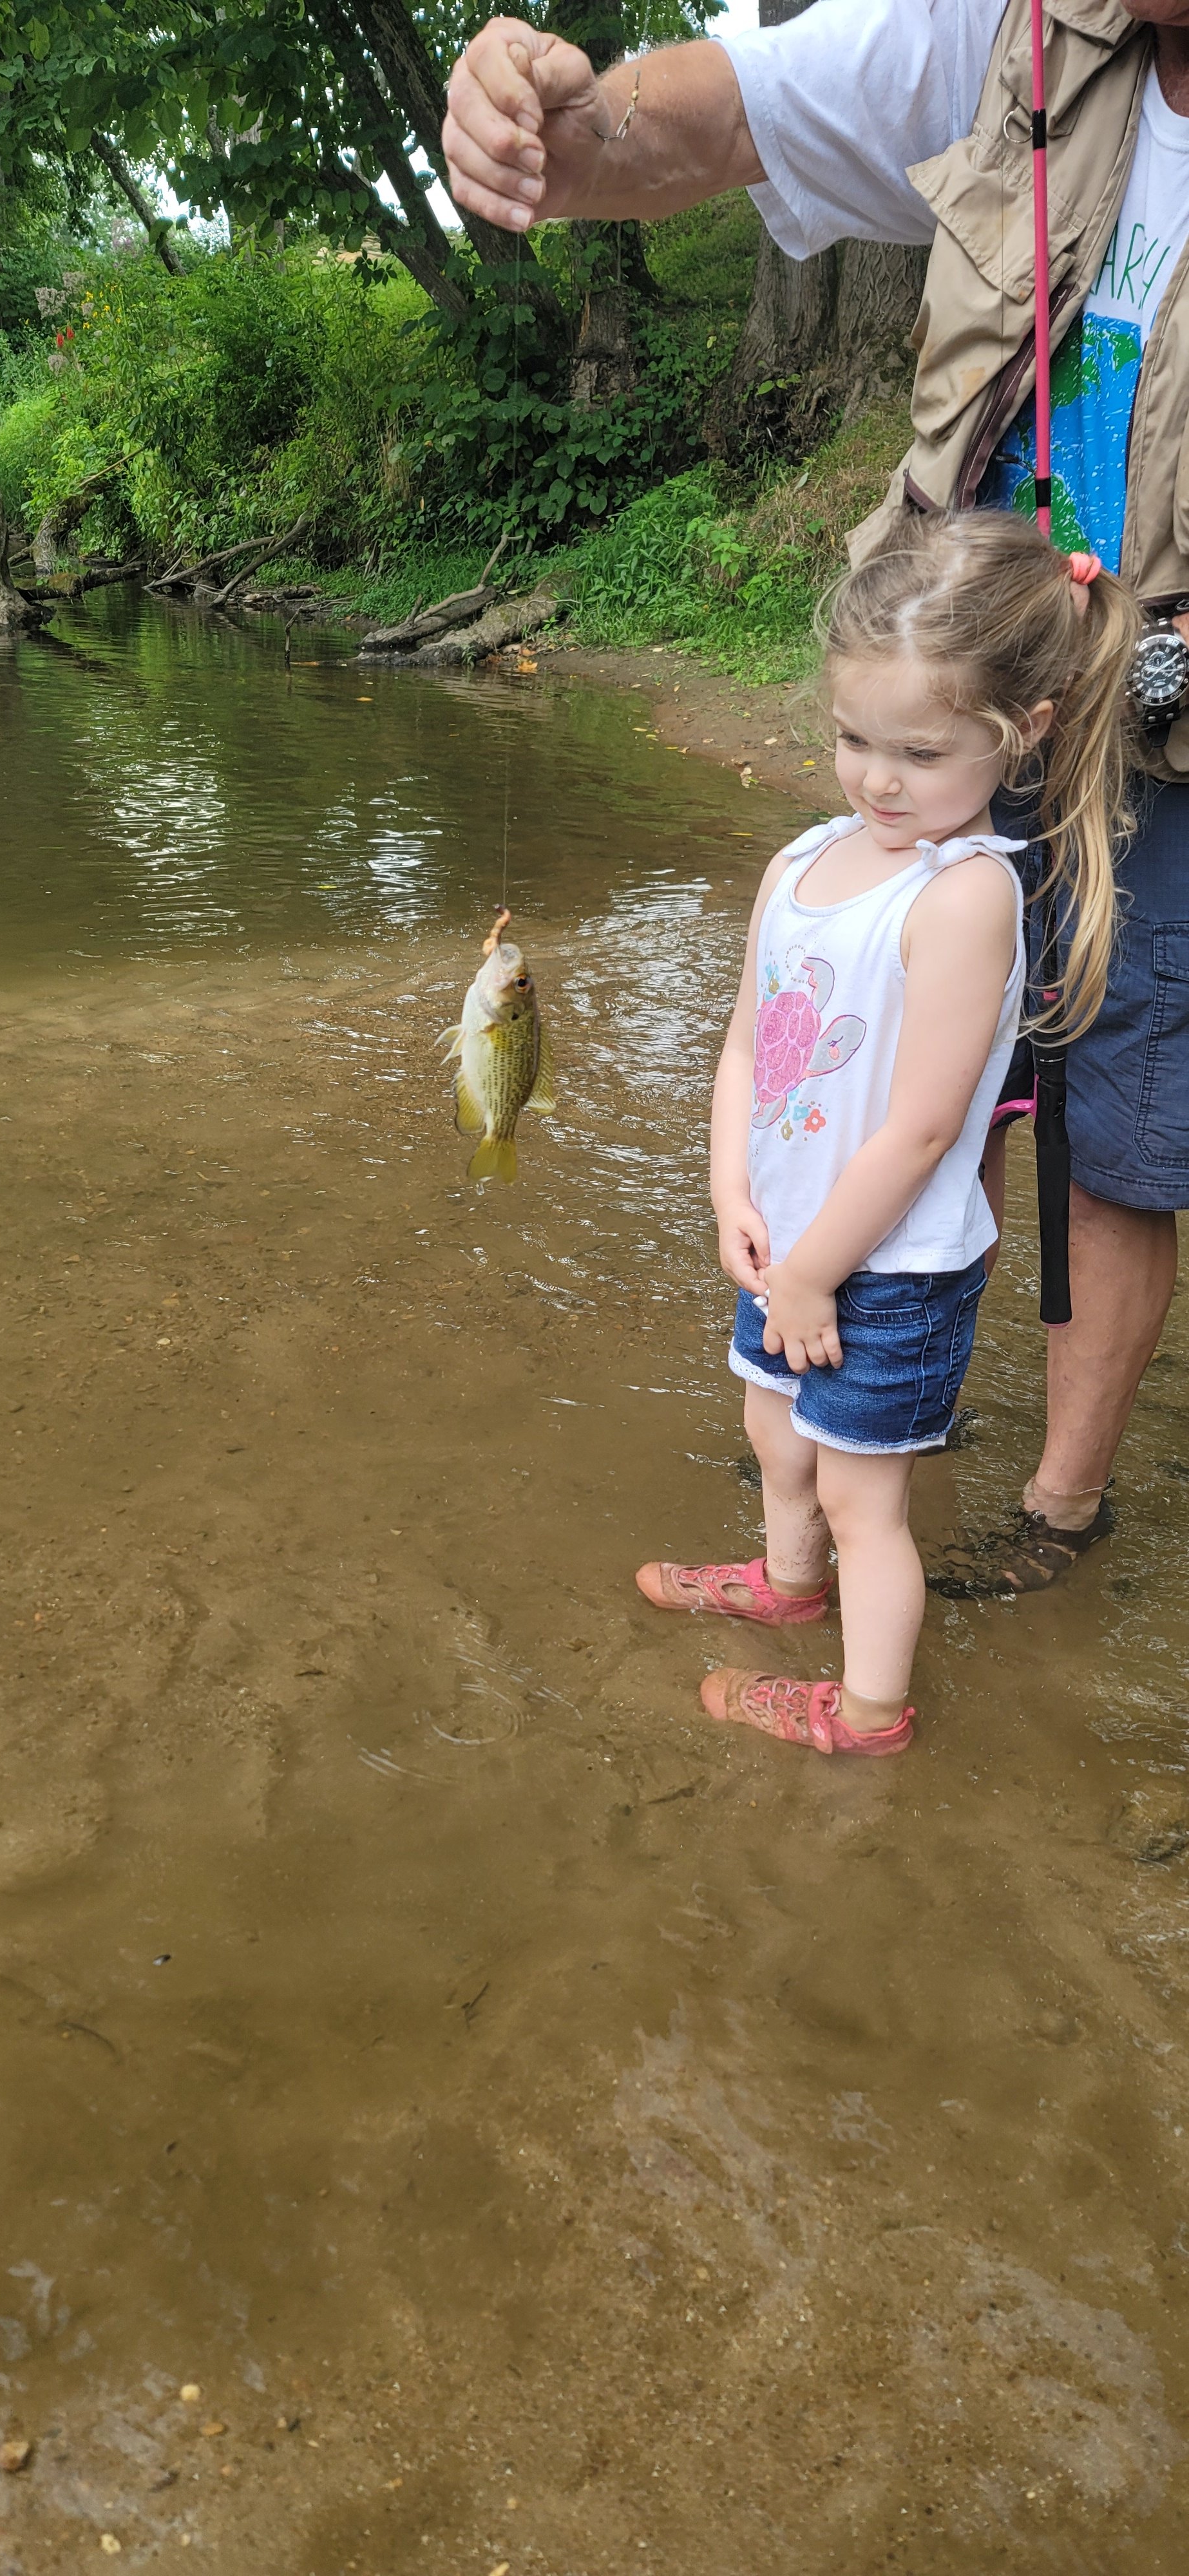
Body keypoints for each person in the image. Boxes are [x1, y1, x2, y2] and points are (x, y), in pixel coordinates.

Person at [443, 0, 1189, 1593]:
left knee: (1117, 1121)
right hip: (951, 684)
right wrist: (555, 122)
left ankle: (1058, 1510)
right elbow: (706, 118)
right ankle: (883, 1400)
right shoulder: (1015, 29)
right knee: (928, 1053)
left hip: (1160, 734)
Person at [634, 509, 1137, 1752]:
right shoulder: (804, 859)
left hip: (890, 1267)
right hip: (788, 1240)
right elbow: (749, 1047)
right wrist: (731, 1199)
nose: (877, 779)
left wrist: (814, 1271)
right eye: (856, 739)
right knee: (773, 1431)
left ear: (1019, 734)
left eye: (919, 752)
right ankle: (788, 1587)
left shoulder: (963, 894)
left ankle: (867, 1713)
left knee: (867, 1498)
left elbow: (921, 1134)